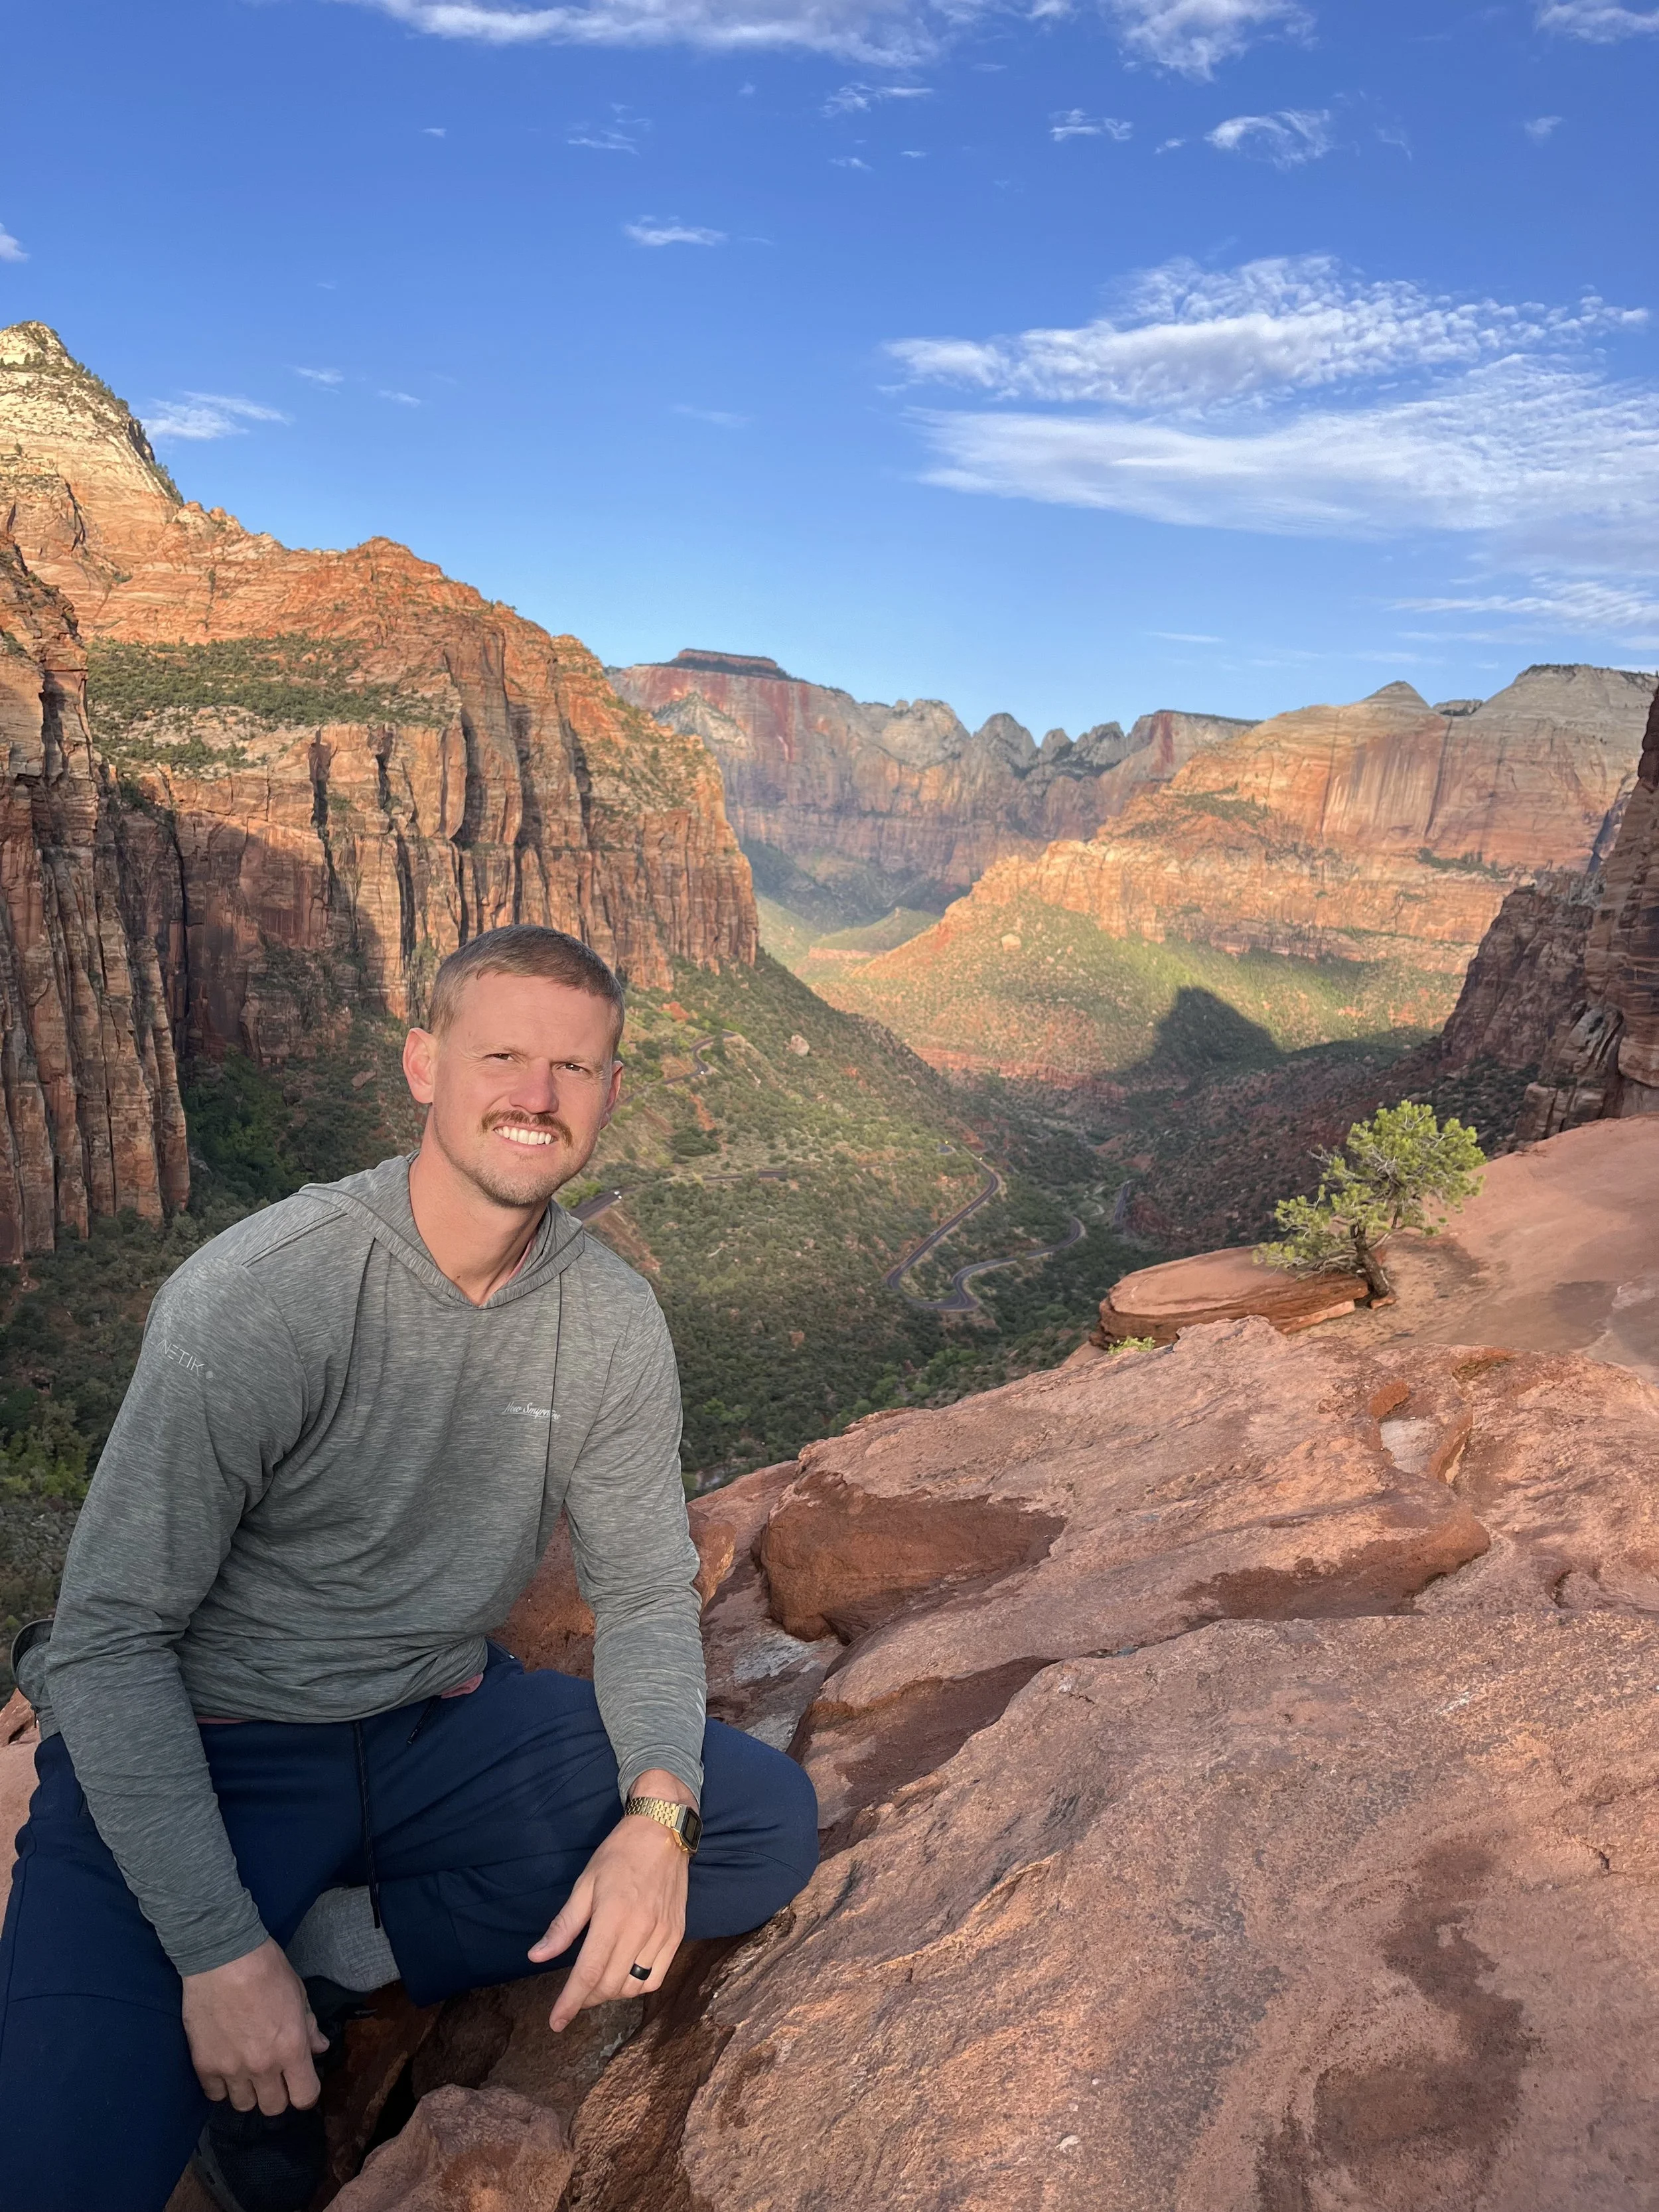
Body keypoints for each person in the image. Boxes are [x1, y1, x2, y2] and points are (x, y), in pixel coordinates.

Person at [0, 926, 819, 2212]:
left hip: (434, 1724)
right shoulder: (265, 1295)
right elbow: (108, 1641)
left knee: (754, 1826)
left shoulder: (606, 1317)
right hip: (214, 1744)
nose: (536, 1096)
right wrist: (215, 1952)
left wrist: (658, 1815)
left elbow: (651, 1589)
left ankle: (334, 1954)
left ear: (608, 1093)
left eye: (573, 1067)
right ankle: (250, 1976)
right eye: (502, 1055)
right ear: (424, 1063)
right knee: (56, 2174)